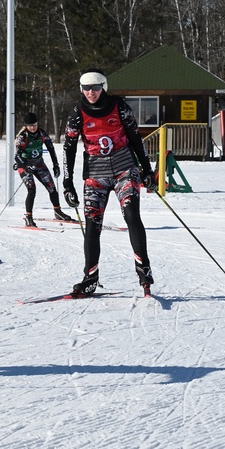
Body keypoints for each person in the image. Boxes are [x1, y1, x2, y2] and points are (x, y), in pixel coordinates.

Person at [62, 69, 156, 296]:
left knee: (132, 215)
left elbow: (135, 137)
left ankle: (143, 268)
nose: (91, 92)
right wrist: (67, 182)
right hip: (96, 173)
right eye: (86, 88)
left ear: (104, 86)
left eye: (95, 87)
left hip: (124, 168)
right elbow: (69, 147)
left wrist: (147, 170)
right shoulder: (78, 113)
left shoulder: (119, 106)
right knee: (93, 225)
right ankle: (90, 277)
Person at [13, 112, 73, 227]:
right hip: (25, 165)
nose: (33, 127)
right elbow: (17, 156)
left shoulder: (42, 133)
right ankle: (28, 217)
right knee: (32, 190)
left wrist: (56, 165)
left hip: (39, 164)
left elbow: (51, 148)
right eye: (30, 125)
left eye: (34, 124)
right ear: (26, 126)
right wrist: (25, 166)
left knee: (51, 187)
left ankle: (58, 211)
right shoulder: (23, 136)